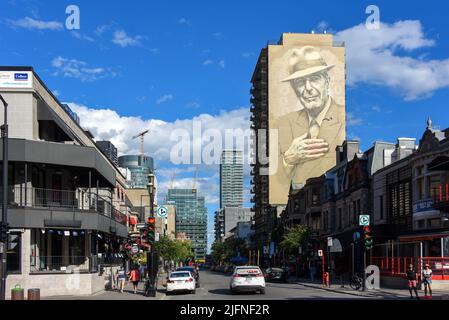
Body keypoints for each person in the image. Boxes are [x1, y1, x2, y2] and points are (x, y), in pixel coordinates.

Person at [274, 46, 345, 195]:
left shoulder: (340, 117)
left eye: (314, 79)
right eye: (300, 82)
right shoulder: (282, 123)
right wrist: (288, 160)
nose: (308, 88)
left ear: (327, 81)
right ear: (294, 88)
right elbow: (277, 183)